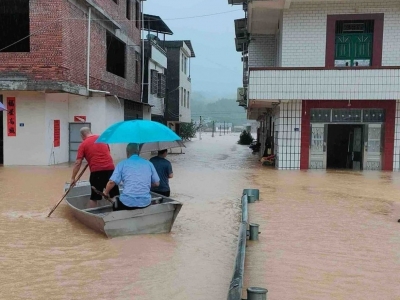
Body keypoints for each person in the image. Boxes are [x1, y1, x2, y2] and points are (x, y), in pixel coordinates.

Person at [70, 127, 119, 208]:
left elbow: (78, 163)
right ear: (90, 132)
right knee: (114, 194)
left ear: (82, 136)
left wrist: (73, 178)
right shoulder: (103, 139)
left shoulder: (83, 144)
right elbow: (107, 152)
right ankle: (118, 211)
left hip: (97, 172)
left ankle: (92, 213)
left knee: (94, 198)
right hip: (111, 170)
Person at [103, 143, 160, 211]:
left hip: (127, 202)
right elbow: (157, 183)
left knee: (116, 203)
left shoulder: (122, 164)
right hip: (145, 202)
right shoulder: (149, 163)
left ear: (127, 152)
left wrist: (105, 193)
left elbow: (112, 182)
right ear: (138, 152)